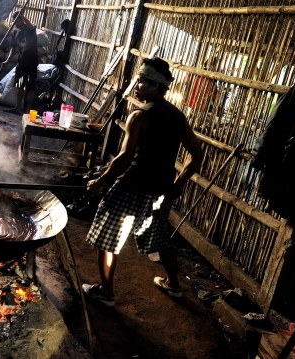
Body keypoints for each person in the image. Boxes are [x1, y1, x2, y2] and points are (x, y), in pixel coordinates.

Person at [81, 57, 204, 307]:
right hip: (160, 192)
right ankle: (173, 285)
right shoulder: (178, 117)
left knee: (107, 240)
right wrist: (179, 183)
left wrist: (101, 182)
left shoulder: (139, 115)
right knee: (160, 239)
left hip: (131, 187)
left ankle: (105, 293)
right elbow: (198, 154)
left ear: (155, 86)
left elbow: (126, 158)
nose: (137, 85)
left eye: (141, 82)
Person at [1, 11, 38, 115]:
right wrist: (7, 60)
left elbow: (30, 25)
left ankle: (28, 111)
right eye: (13, 22)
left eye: (16, 21)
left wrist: (23, 16)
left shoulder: (30, 29)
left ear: (21, 20)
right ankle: (18, 108)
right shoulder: (15, 32)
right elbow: (13, 48)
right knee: (20, 85)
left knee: (30, 87)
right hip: (21, 63)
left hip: (31, 63)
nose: (15, 24)